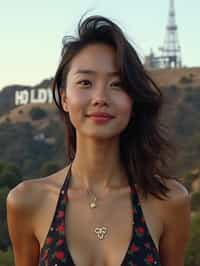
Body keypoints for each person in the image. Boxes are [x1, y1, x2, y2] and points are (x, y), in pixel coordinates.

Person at [6, 15, 191, 266]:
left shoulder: (169, 201)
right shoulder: (27, 201)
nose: (100, 97)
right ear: (64, 98)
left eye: (118, 84)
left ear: (133, 100)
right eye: (85, 82)